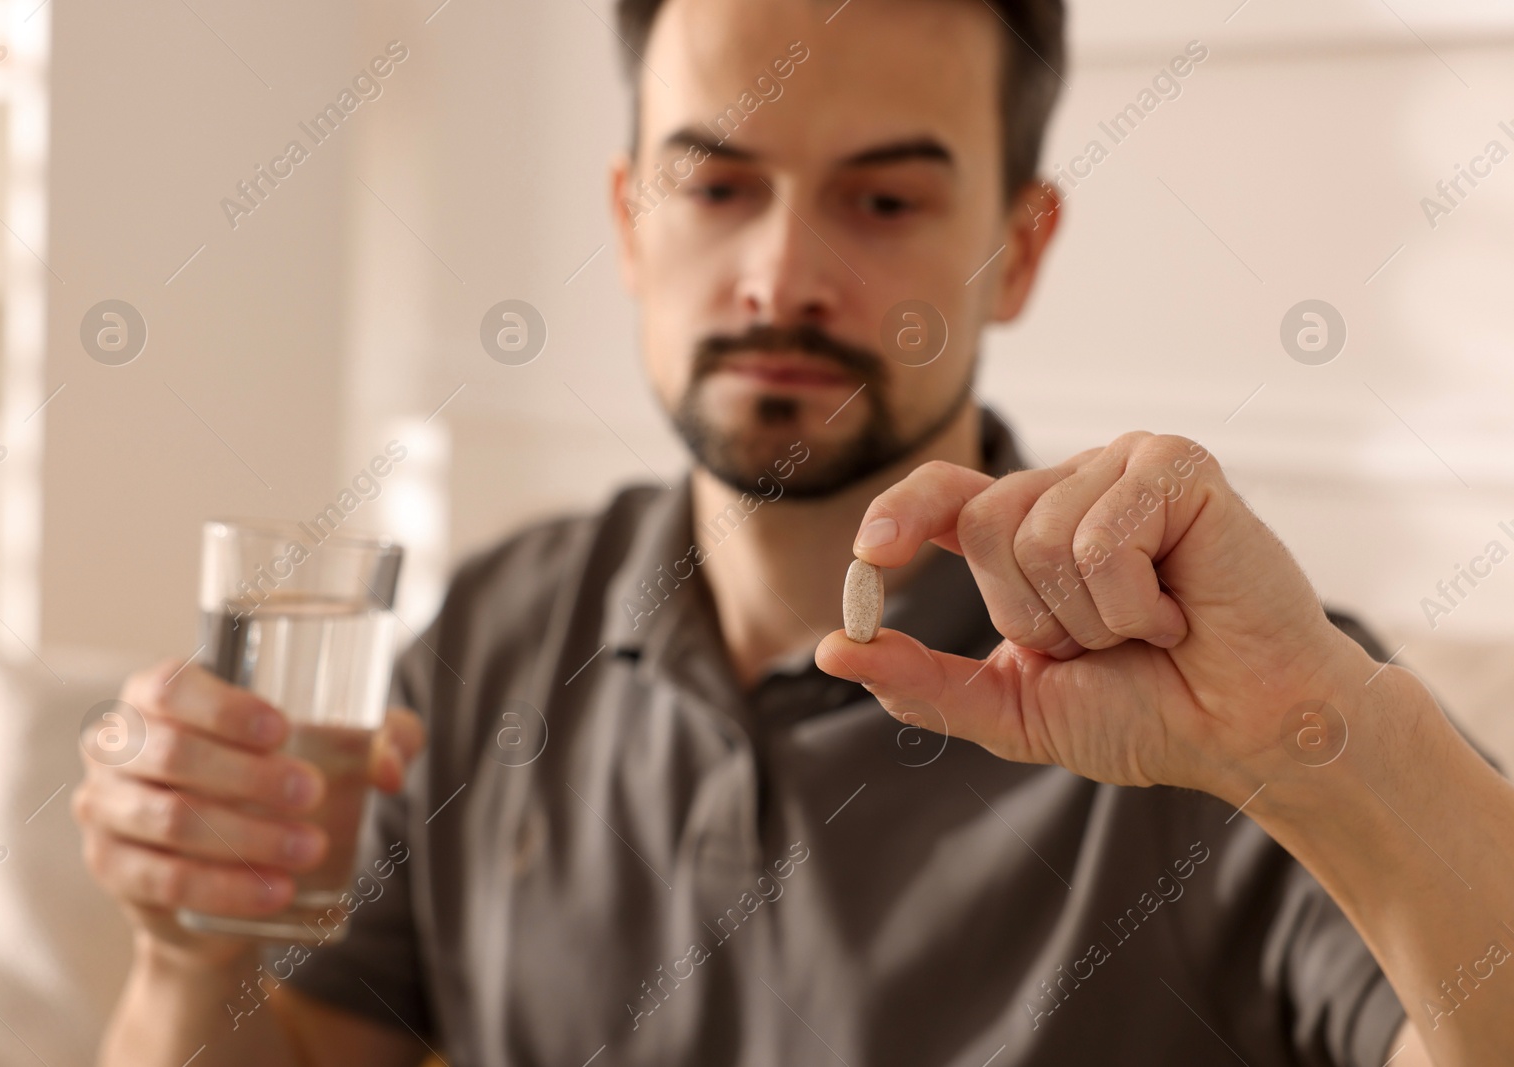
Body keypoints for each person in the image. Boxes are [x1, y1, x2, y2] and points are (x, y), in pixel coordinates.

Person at [73, 0, 1514, 1062]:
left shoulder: (1227, 701)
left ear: (1016, 252)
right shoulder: (498, 636)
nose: (782, 274)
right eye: (715, 186)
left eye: (883, 199)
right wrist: (190, 953)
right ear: (631, 225)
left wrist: (1331, 746)